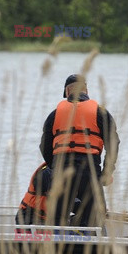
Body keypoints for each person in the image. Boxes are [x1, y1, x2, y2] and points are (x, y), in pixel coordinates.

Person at [40, 74, 119, 227]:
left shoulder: (55, 114)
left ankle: (57, 245)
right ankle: (90, 243)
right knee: (97, 217)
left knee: (56, 218)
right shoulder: (100, 112)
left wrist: (54, 167)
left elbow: (44, 146)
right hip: (88, 170)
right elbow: (113, 143)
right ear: (86, 91)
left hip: (61, 170)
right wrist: (107, 171)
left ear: (67, 92)